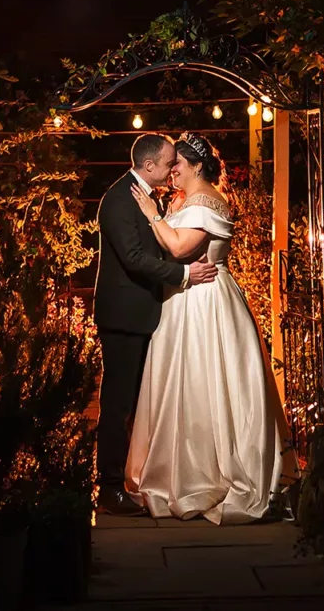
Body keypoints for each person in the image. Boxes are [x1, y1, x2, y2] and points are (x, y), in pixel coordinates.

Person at [123, 131, 296, 523]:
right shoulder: (189, 199)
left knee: (204, 381)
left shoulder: (204, 201)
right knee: (183, 385)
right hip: (185, 299)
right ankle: (180, 470)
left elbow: (182, 248)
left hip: (203, 303)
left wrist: (152, 215)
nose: (172, 173)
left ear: (196, 166)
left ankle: (206, 475)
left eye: (177, 165)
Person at [92, 133, 218, 516]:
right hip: (124, 316)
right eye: (168, 164)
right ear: (149, 166)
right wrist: (183, 274)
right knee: (118, 403)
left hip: (144, 312)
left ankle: (134, 479)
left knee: (136, 402)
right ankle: (109, 488)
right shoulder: (118, 198)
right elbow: (132, 257)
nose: (172, 170)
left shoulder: (145, 195)